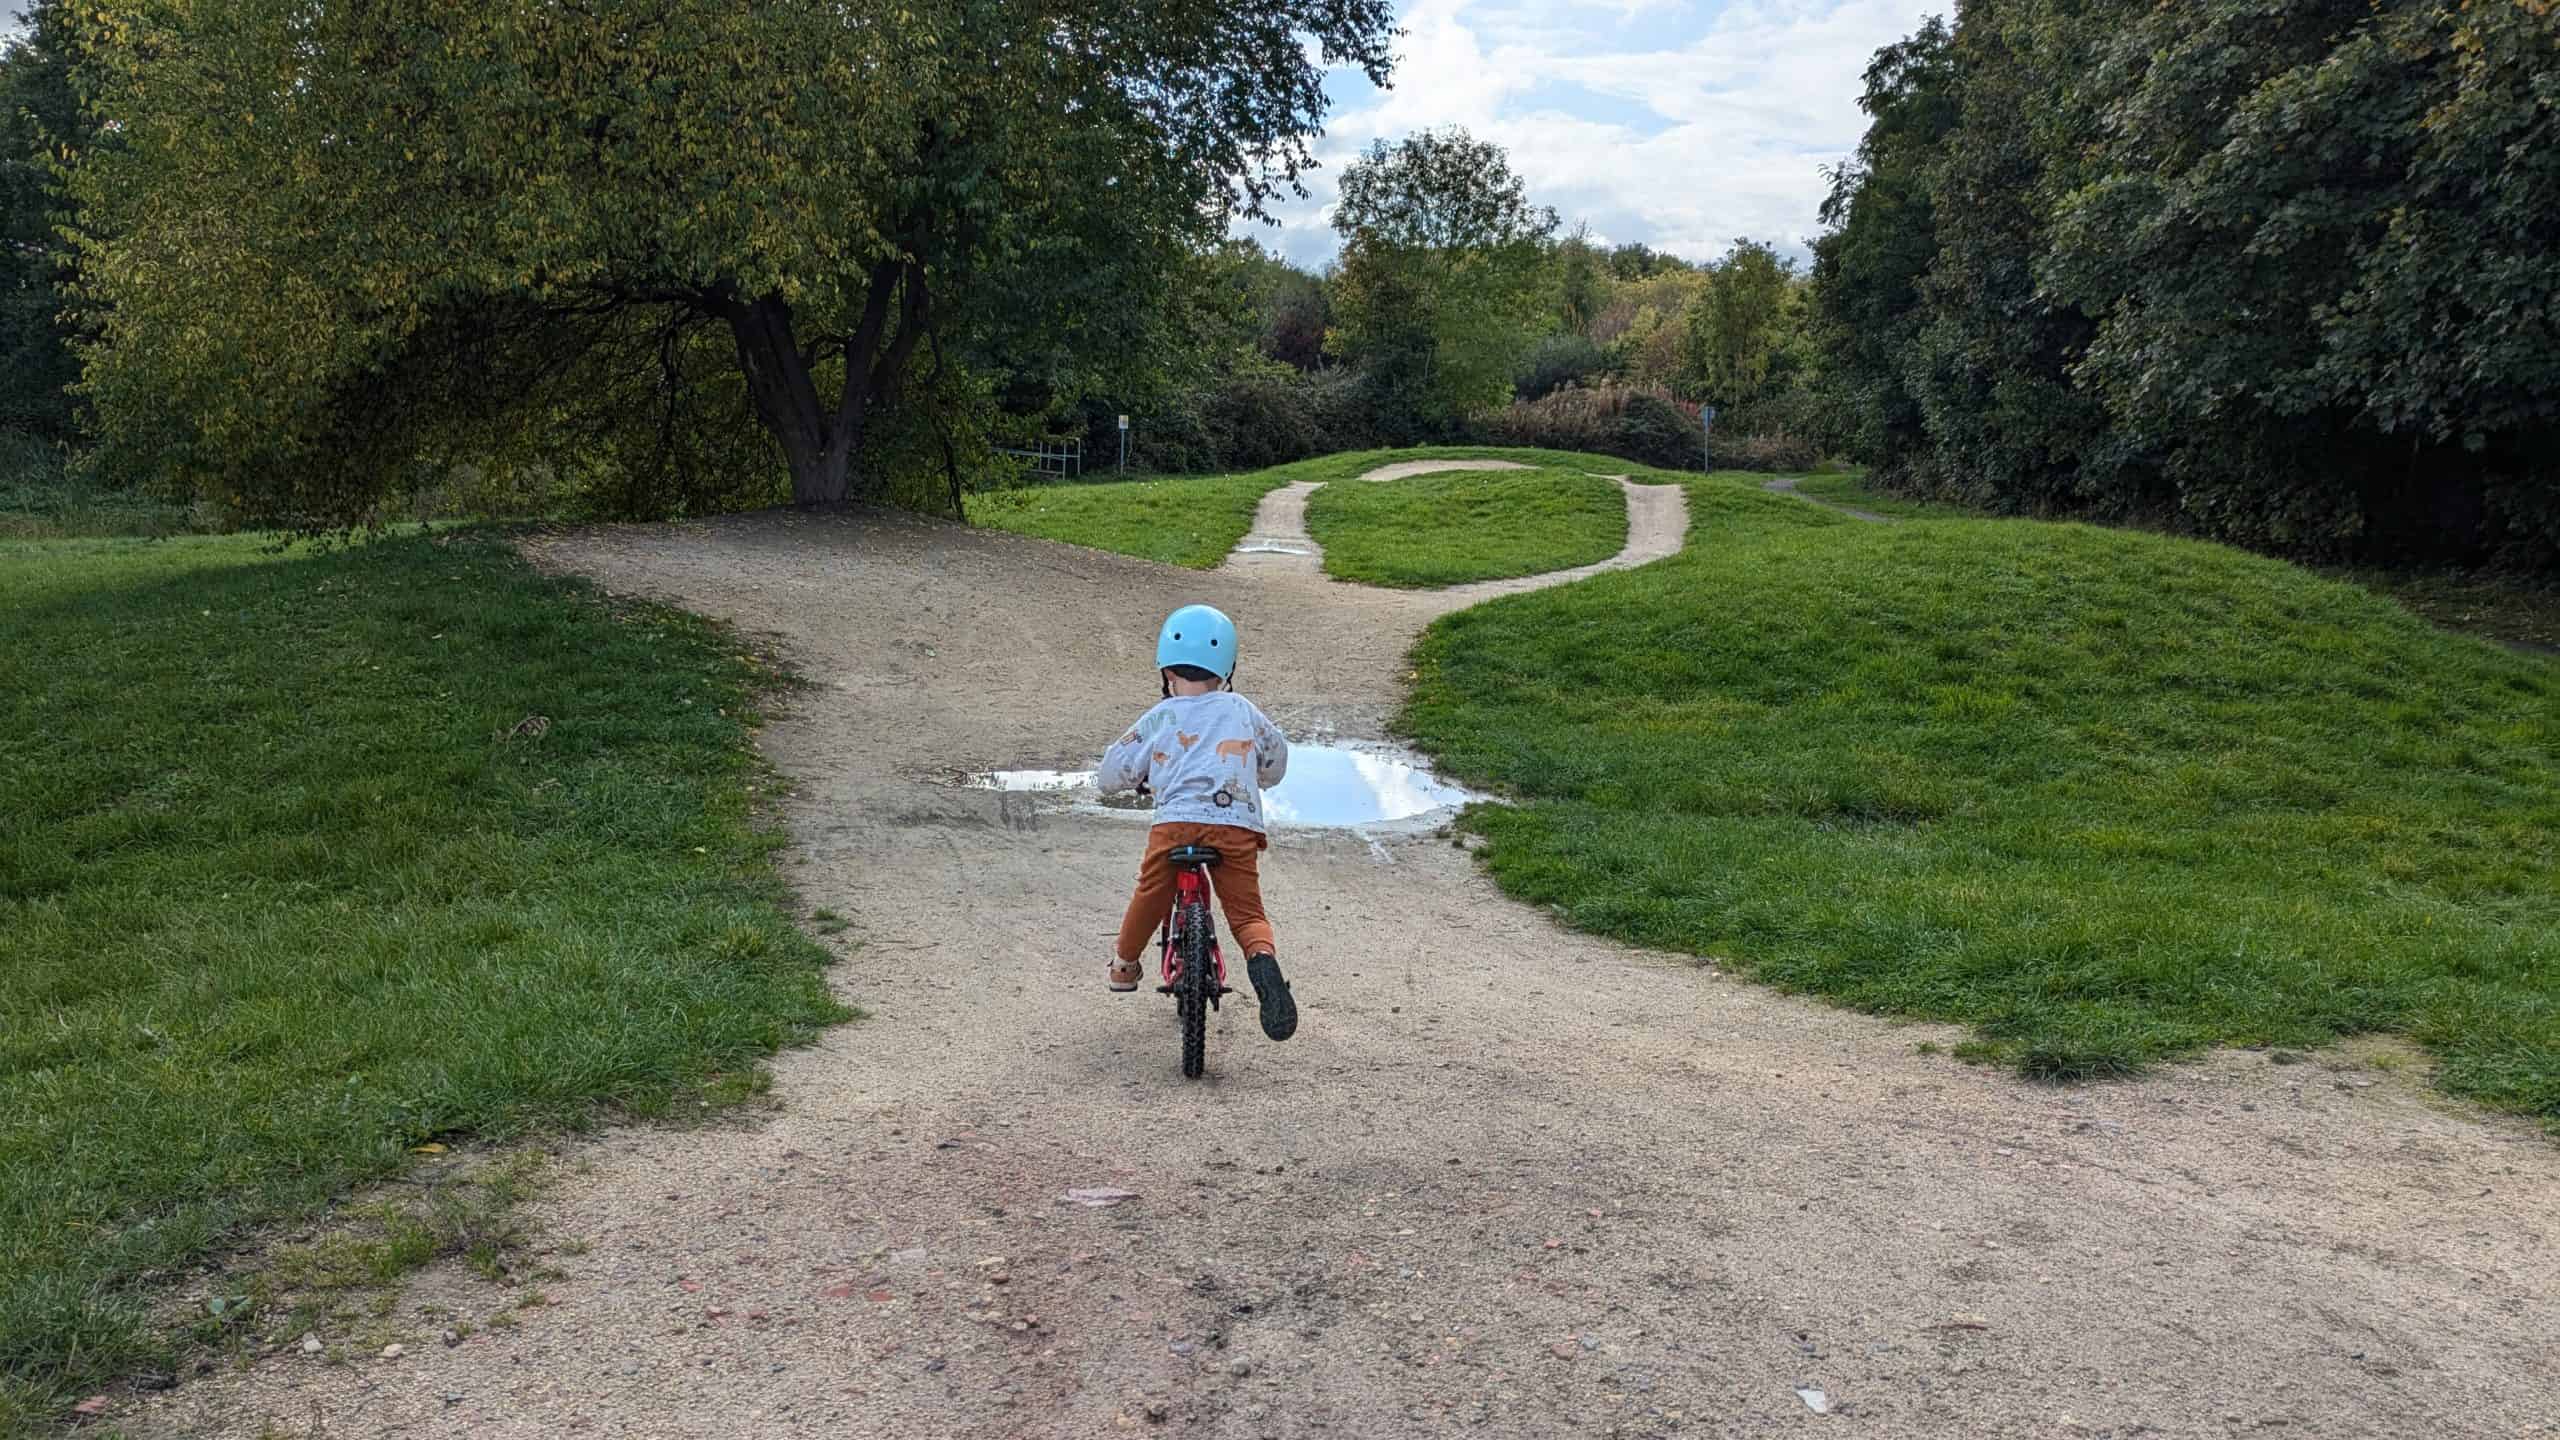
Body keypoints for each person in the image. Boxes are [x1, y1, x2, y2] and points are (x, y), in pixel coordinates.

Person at [1095, 604, 1298, 1042]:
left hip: (1174, 825)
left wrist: (1134, 778)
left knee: (1151, 892)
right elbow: (1276, 756)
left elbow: (1112, 772)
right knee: (1246, 914)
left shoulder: (1161, 716)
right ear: (1227, 668)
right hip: (1235, 825)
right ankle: (1262, 958)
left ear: (1167, 672)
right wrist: (1257, 776)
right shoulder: (1242, 709)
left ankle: (1125, 965)